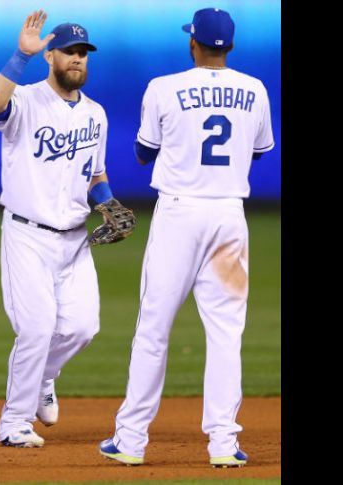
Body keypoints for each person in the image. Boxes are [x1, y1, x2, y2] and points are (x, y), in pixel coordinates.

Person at [99, 7, 274, 467]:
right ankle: (223, 445)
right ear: (229, 46)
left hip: (179, 215)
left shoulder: (163, 87)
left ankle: (132, 441)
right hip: (228, 219)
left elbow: (142, 153)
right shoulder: (255, 90)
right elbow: (256, 153)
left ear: (192, 43)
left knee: (153, 330)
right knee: (225, 335)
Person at [0, 10, 132, 447]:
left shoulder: (97, 114)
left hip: (75, 237)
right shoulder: (25, 100)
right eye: (69, 51)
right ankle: (13, 424)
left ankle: (44, 377)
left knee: (83, 327)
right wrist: (19, 55)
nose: (77, 59)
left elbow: (95, 175)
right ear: (51, 56)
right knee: (35, 328)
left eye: (83, 53)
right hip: (27, 233)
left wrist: (108, 205)